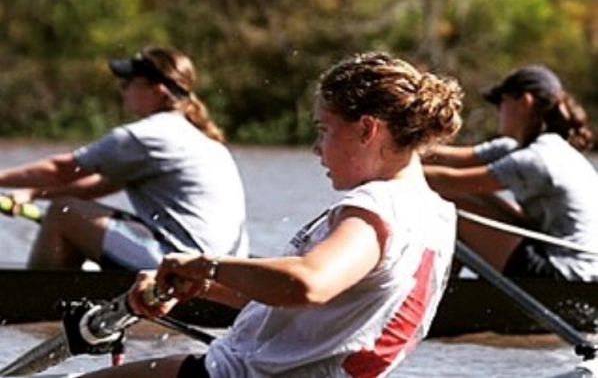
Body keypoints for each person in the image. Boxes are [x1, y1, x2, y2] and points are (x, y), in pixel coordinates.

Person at [79, 52, 463, 378]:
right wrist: (198, 283)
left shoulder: (376, 206)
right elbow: (301, 302)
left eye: (324, 130)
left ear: (367, 129)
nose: (317, 148)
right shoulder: (434, 213)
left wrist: (207, 265)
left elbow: (308, 284)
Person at [0, 46, 248, 269]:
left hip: (184, 263)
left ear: (157, 90)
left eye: (128, 82)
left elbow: (61, 170)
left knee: (62, 212)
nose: (123, 90)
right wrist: (31, 193)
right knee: (72, 211)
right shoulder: (201, 140)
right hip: (223, 268)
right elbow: (98, 185)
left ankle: (32, 299)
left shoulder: (145, 136)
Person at [424, 64, 598, 281]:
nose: (498, 110)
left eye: (501, 102)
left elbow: (449, 182)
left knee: (448, 204)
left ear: (524, 102)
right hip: (557, 257)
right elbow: (446, 157)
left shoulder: (538, 158)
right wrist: (400, 147)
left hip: (567, 275)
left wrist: (392, 169)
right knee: (476, 195)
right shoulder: (520, 147)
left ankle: (442, 292)